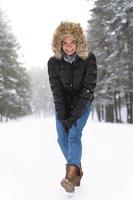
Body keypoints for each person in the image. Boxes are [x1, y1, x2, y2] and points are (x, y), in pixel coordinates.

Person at [47, 21, 97, 193]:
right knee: (62, 138)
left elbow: (88, 88)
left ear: (78, 42)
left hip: (83, 102)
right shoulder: (53, 63)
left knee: (74, 135)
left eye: (72, 42)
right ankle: (76, 167)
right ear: (59, 44)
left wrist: (73, 117)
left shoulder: (88, 59)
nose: (69, 47)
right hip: (63, 104)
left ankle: (70, 176)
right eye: (65, 43)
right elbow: (57, 91)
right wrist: (63, 116)